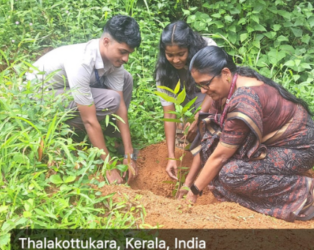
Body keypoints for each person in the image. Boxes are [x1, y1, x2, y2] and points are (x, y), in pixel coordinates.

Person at [177, 46, 314, 222]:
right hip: (276, 144)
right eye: (199, 86)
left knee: (231, 174)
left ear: (225, 73)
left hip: (302, 148)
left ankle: (305, 192)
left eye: (206, 84)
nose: (203, 91)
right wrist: (187, 183)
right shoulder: (225, 91)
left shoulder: (244, 99)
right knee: (212, 155)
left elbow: (220, 156)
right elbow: (210, 144)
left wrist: (194, 192)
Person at [26, 15, 141, 185]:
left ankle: (113, 138)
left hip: (65, 92)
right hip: (38, 99)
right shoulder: (81, 61)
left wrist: (129, 154)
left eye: (129, 53)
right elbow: (89, 119)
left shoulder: (112, 60)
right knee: (111, 100)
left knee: (126, 79)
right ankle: (71, 135)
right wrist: (108, 166)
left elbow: (121, 106)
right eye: (123, 52)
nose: (126, 58)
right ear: (106, 42)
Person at [154, 21, 217, 180]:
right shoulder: (163, 71)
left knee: (210, 120)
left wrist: (199, 118)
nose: (175, 60)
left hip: (212, 93)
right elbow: (168, 114)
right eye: (170, 55)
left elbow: (217, 88)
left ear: (190, 48)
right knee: (188, 136)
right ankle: (188, 126)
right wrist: (171, 156)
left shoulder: (208, 50)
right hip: (189, 96)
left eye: (181, 54)